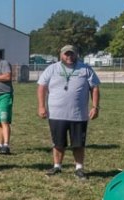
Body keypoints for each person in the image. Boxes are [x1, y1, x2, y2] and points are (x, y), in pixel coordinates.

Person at [37, 45, 101, 178]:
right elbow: (42, 87)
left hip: (78, 114)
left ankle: (79, 168)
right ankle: (57, 167)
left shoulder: (85, 69)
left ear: (76, 54)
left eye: (72, 54)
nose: (69, 57)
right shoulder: (52, 69)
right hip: (56, 113)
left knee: (78, 143)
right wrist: (41, 106)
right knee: (58, 142)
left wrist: (95, 107)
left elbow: (94, 87)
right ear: (61, 55)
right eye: (66, 54)